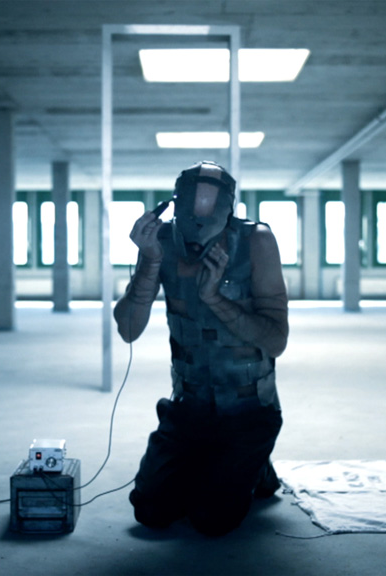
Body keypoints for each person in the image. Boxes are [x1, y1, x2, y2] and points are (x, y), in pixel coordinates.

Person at [114, 160, 289, 537]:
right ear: (175, 205)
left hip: (248, 410)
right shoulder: (160, 241)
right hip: (189, 408)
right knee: (151, 511)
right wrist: (150, 262)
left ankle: (256, 464)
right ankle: (226, 463)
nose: (196, 231)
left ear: (228, 209)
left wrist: (215, 299)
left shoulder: (256, 241)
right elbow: (128, 330)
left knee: (212, 519)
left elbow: (277, 341)